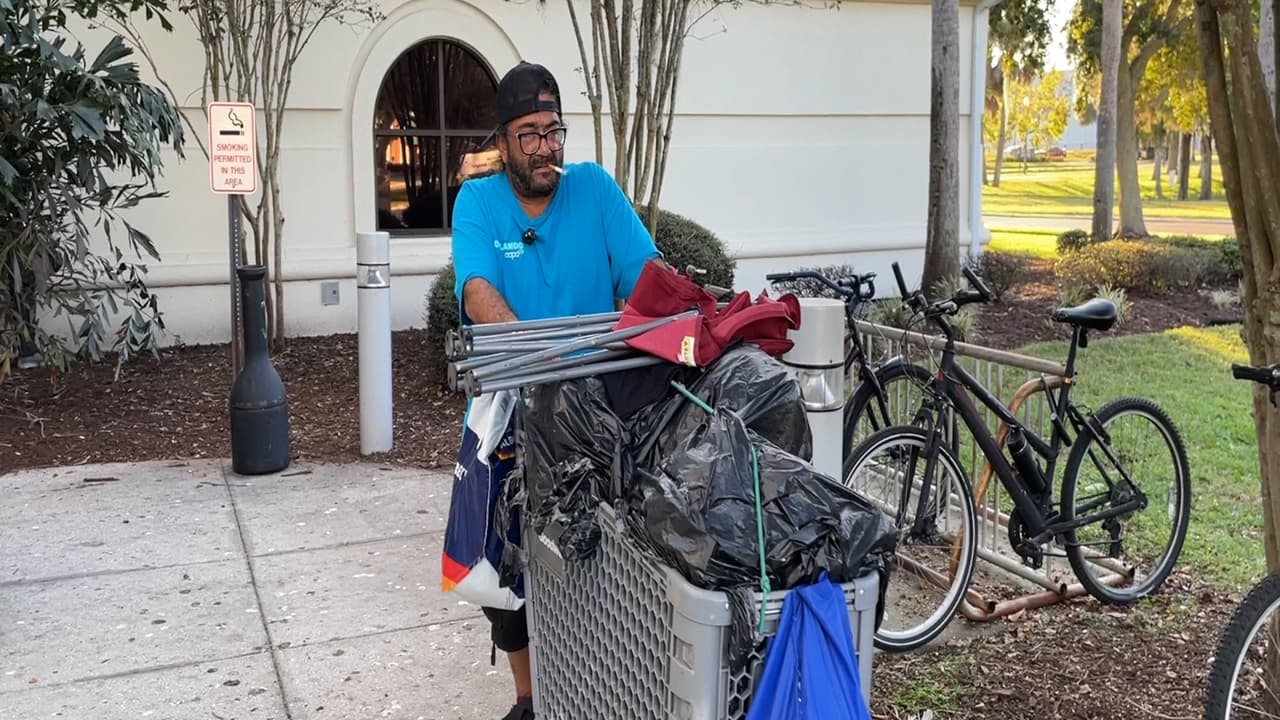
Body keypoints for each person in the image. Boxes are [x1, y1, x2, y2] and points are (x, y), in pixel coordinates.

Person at [449, 60, 662, 720]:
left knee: (599, 555)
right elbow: (478, 290)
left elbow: (646, 276)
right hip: (513, 405)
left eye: (554, 130)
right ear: (504, 141)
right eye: (530, 134)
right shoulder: (478, 202)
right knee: (504, 567)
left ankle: (592, 678)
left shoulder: (594, 190)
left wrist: (678, 316)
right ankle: (530, 694)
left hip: (596, 412)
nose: (546, 147)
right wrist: (540, 360)